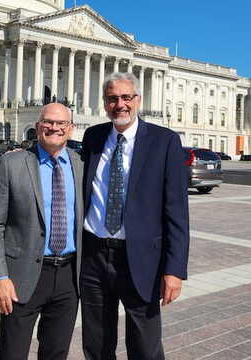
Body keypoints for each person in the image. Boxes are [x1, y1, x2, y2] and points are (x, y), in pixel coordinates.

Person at [80, 72, 190, 360]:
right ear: (105, 103)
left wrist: (174, 269)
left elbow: (177, 210)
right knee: (97, 342)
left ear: (137, 100)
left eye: (126, 97)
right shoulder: (93, 137)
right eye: (113, 98)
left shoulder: (164, 141)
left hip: (140, 258)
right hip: (94, 255)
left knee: (144, 345)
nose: (120, 104)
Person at [0, 103, 83, 360]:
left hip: (68, 277)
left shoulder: (81, 164)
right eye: (48, 122)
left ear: (70, 129)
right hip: (21, 276)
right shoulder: (13, 163)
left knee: (56, 352)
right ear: (38, 127)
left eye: (61, 124)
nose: (54, 128)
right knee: (12, 351)